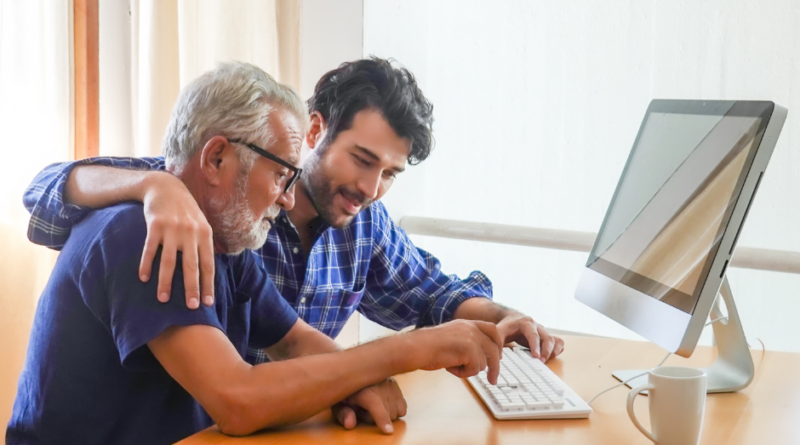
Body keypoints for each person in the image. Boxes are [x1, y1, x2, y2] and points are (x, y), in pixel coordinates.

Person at [8, 62, 503, 445]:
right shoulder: (144, 231)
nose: (288, 197)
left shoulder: (228, 237)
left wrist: (352, 381)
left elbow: (294, 341)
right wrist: (409, 350)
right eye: (282, 174)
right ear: (217, 158)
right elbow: (238, 400)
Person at [23, 57, 565, 365]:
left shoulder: (363, 223)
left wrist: (505, 320)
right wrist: (153, 185)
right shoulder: (212, 199)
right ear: (314, 130)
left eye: (391, 174)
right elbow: (44, 193)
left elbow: (430, 294)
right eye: (362, 160)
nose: (373, 188)